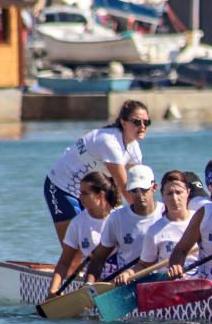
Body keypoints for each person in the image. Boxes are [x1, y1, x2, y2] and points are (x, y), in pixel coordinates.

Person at [45, 99, 150, 243]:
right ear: (124, 122)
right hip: (61, 188)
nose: (143, 126)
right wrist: (145, 215)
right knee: (74, 245)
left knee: (105, 238)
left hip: (93, 191)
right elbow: (124, 186)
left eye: (146, 122)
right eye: (137, 122)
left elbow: (136, 187)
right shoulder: (109, 142)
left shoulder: (134, 149)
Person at [85, 165, 164, 284]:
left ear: (154, 187)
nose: (139, 195)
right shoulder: (117, 218)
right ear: (127, 190)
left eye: (143, 189)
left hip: (161, 281)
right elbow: (98, 258)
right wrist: (89, 285)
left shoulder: (166, 214)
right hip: (128, 283)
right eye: (134, 190)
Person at [47, 171, 120, 296]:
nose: (79, 197)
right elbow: (65, 262)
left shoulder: (120, 217)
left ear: (101, 195)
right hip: (93, 283)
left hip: (122, 280)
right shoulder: (78, 223)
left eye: (85, 193)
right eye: (80, 192)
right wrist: (52, 290)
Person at [115, 170, 195, 284]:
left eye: (179, 192)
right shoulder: (155, 231)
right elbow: (144, 265)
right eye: (169, 193)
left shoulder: (200, 220)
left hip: (202, 285)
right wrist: (128, 273)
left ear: (188, 192)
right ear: (162, 195)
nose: (174, 198)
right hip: (172, 288)